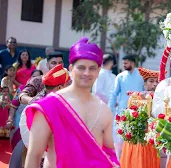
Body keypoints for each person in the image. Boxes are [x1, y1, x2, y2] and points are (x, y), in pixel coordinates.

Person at [24, 37, 119, 168]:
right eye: (81, 67)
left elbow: (109, 151)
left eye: (92, 68)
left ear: (98, 71)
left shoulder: (104, 110)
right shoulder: (49, 106)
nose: (86, 73)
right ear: (70, 69)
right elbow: (34, 156)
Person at [7, 65, 71, 168]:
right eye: (67, 85)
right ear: (59, 87)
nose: (70, 88)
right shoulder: (42, 108)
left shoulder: (52, 99)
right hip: (40, 155)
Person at [120, 67, 160, 168]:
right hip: (138, 139)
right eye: (151, 81)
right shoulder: (134, 97)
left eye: (157, 81)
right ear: (145, 83)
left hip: (152, 138)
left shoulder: (160, 99)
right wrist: (143, 102)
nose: (155, 84)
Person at [108, 54, 144, 160]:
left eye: (125, 63)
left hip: (138, 113)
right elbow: (113, 94)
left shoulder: (141, 76)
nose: (123, 65)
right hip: (122, 112)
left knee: (134, 140)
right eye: (123, 63)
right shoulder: (120, 76)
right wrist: (110, 110)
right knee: (119, 141)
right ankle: (118, 163)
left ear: (132, 63)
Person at [6, 70, 43, 151]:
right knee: (18, 150)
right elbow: (13, 105)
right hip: (19, 123)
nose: (35, 79)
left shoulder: (45, 92)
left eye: (38, 77)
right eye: (33, 77)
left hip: (37, 127)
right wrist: (10, 119)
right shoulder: (22, 89)